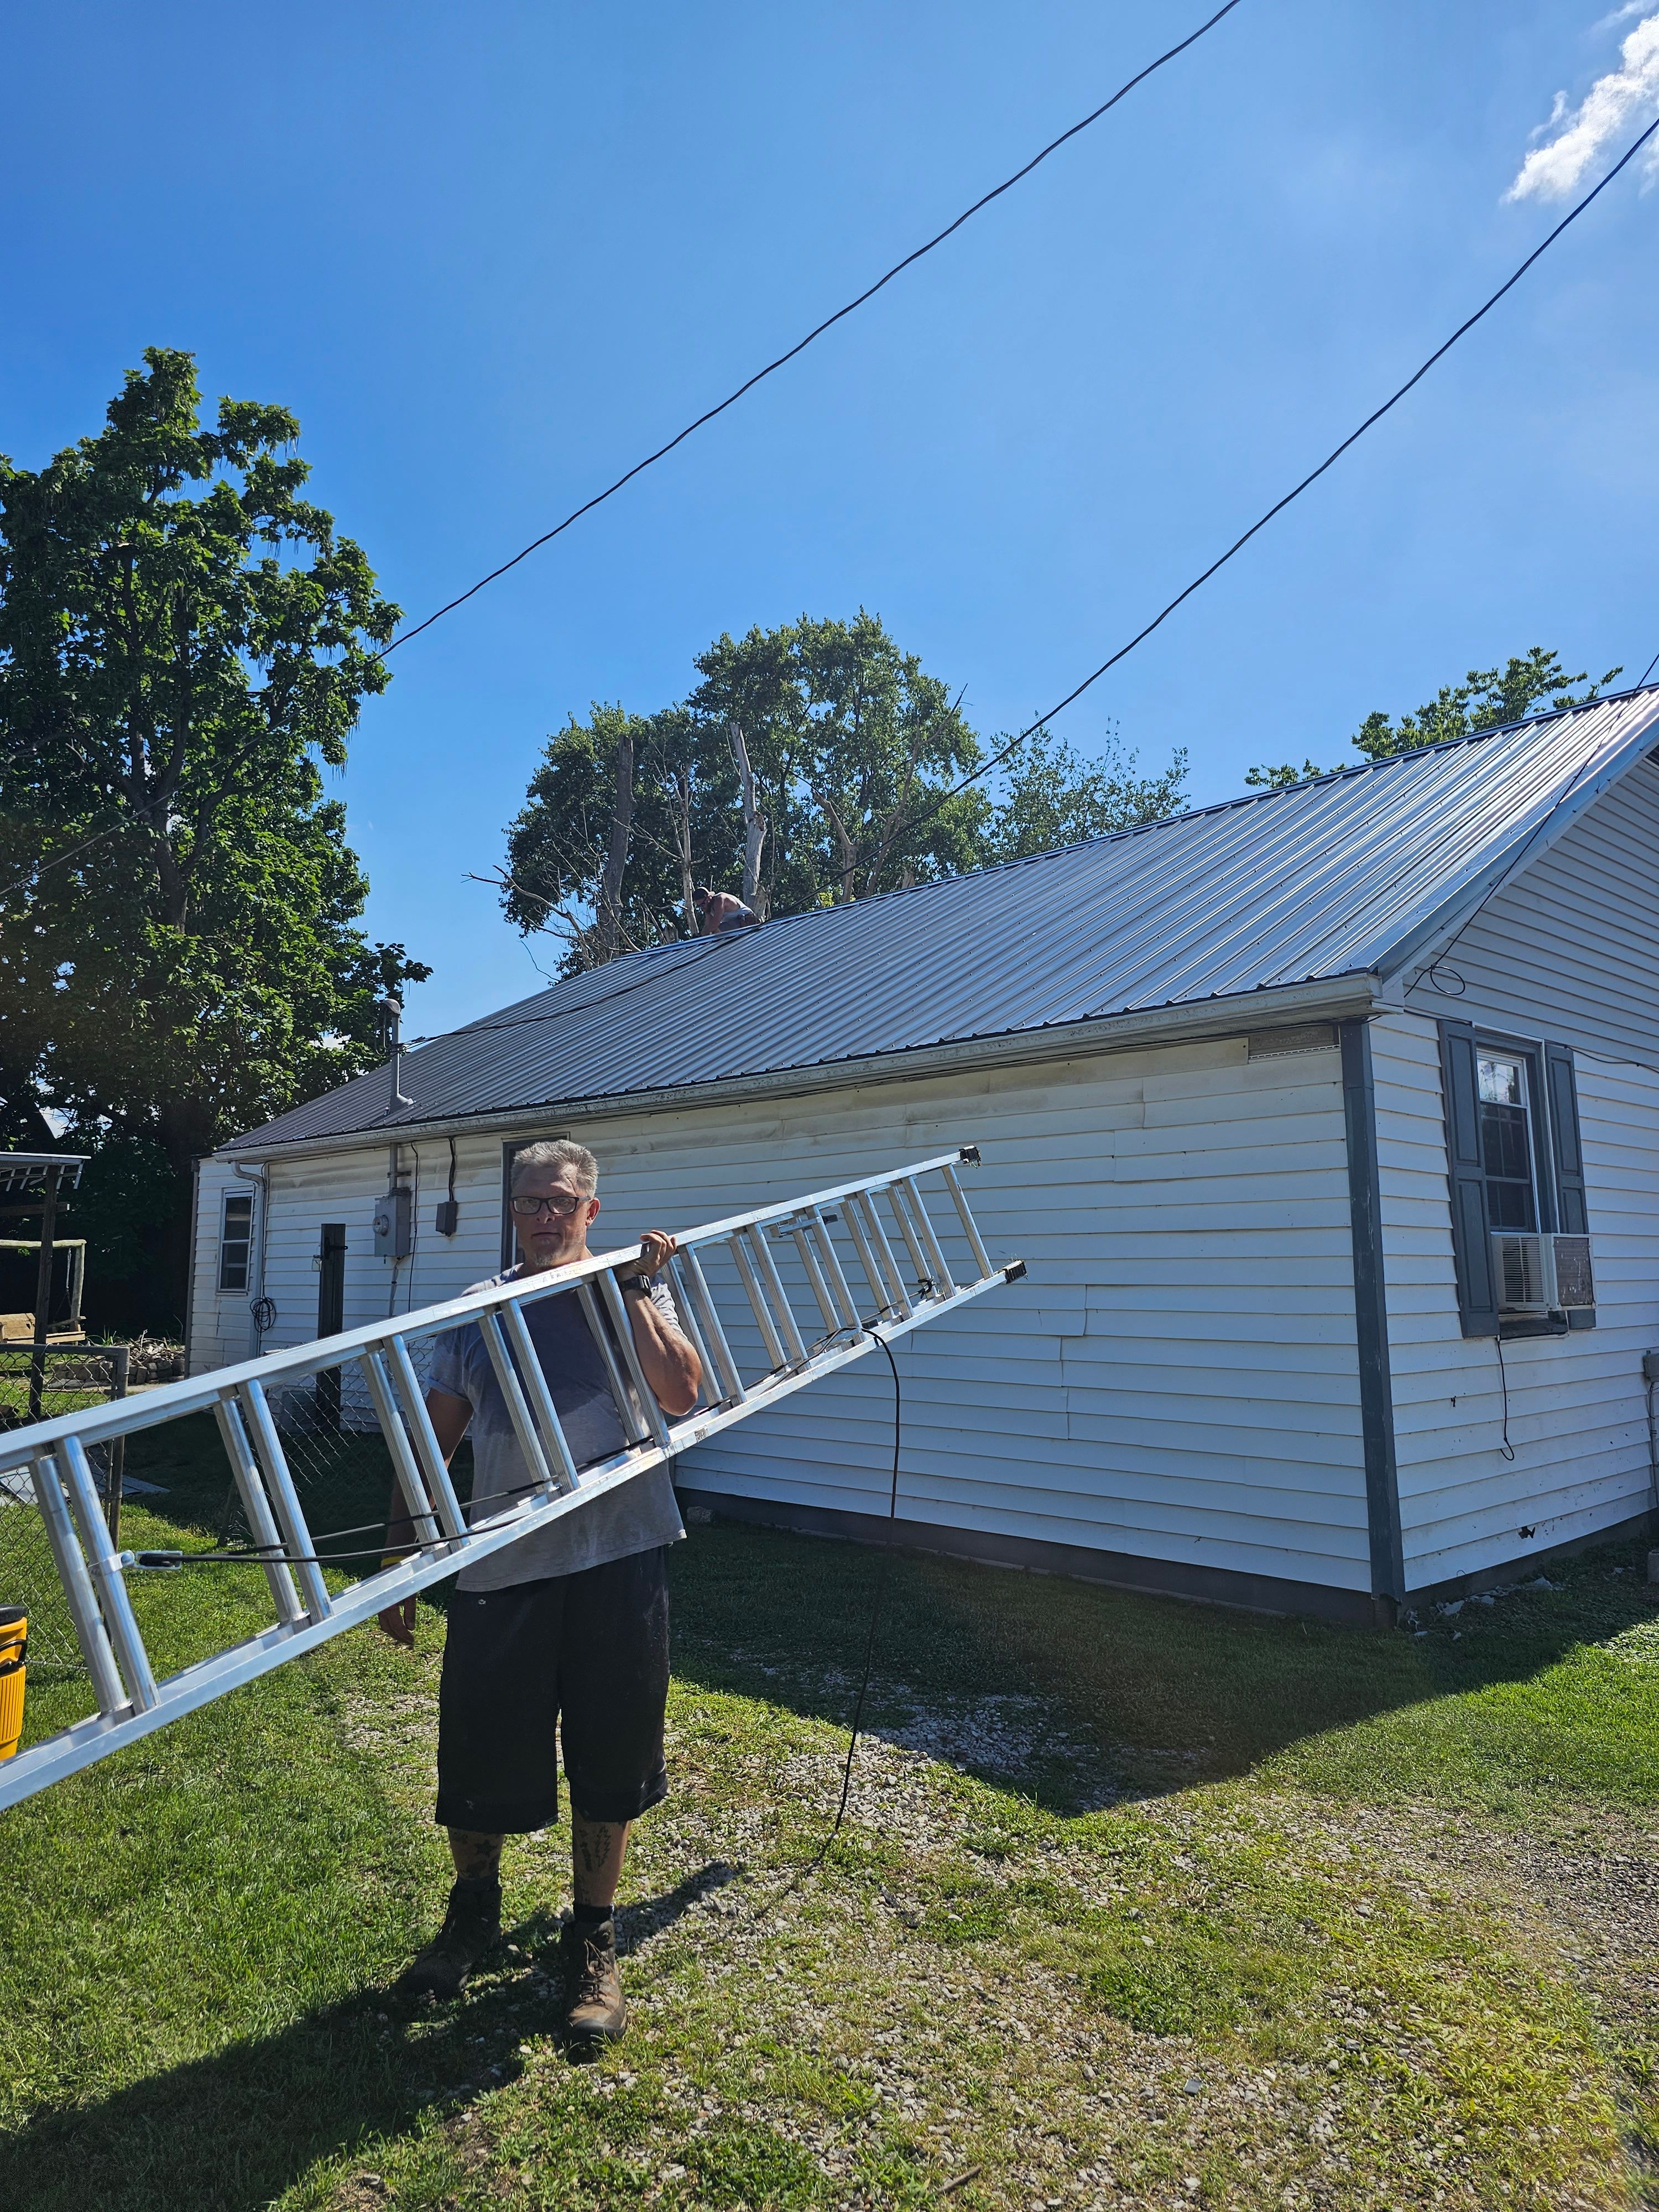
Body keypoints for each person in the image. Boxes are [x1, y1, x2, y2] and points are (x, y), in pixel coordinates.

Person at [381, 1137, 700, 2042]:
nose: (545, 1217)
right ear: (512, 1212)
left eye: (561, 1202)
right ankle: (471, 1916)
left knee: (613, 1751)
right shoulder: (478, 1315)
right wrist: (400, 1560)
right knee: (479, 1747)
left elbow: (682, 1394)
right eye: (529, 1203)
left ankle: (591, 1940)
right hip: (504, 1567)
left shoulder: (632, 1289)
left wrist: (638, 1289)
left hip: (621, 1556)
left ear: (591, 1210)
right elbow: (431, 1443)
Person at [692, 883, 759, 934]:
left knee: (716, 932)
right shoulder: (708, 909)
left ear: (709, 898)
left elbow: (715, 924)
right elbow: (708, 925)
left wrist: (702, 934)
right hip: (734, 923)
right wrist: (700, 935)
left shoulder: (720, 900)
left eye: (703, 904)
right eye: (699, 906)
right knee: (713, 932)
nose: (702, 907)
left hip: (746, 920)